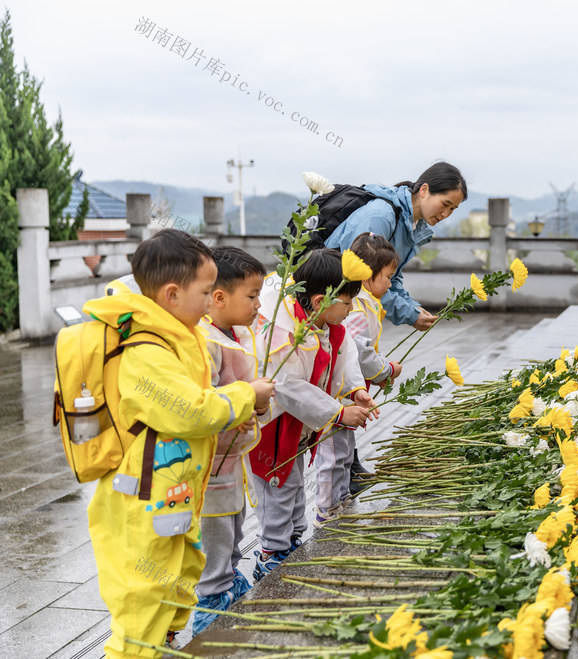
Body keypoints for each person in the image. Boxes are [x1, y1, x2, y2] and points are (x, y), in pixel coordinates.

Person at [83, 229, 274, 657]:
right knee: (143, 602)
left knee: (176, 579)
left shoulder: (173, 333)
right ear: (172, 294)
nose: (210, 301)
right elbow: (189, 410)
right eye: (205, 292)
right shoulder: (146, 347)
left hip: (171, 495)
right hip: (142, 501)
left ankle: (164, 642)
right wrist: (246, 396)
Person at [249, 248, 378, 580]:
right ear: (321, 301)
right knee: (277, 489)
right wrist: (338, 412)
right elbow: (288, 386)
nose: (351, 309)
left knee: (293, 486)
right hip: (276, 427)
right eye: (347, 302)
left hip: (299, 427)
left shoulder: (328, 325)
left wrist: (355, 389)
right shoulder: (285, 332)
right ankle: (271, 552)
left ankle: (291, 541)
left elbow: (345, 355)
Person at [192, 246, 267, 635]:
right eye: (252, 296)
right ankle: (211, 602)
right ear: (218, 297)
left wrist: (257, 405)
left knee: (234, 526)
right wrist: (243, 405)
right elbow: (204, 404)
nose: (258, 305)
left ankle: (228, 578)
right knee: (216, 534)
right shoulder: (204, 342)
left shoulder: (234, 334)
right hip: (212, 462)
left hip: (232, 459)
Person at [324, 161, 467, 331]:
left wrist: (412, 307)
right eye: (445, 204)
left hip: (348, 308)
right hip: (330, 304)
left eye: (453, 209)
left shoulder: (411, 224)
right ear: (424, 190)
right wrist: (410, 314)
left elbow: (390, 277)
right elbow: (364, 280)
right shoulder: (381, 216)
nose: (446, 214)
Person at [325, 233, 402, 510]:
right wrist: (385, 370)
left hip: (352, 388)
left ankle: (341, 495)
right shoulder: (356, 307)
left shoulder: (363, 302)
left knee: (344, 447)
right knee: (335, 451)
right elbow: (359, 350)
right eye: (388, 276)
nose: (390, 283)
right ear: (368, 276)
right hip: (342, 391)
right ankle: (329, 504)